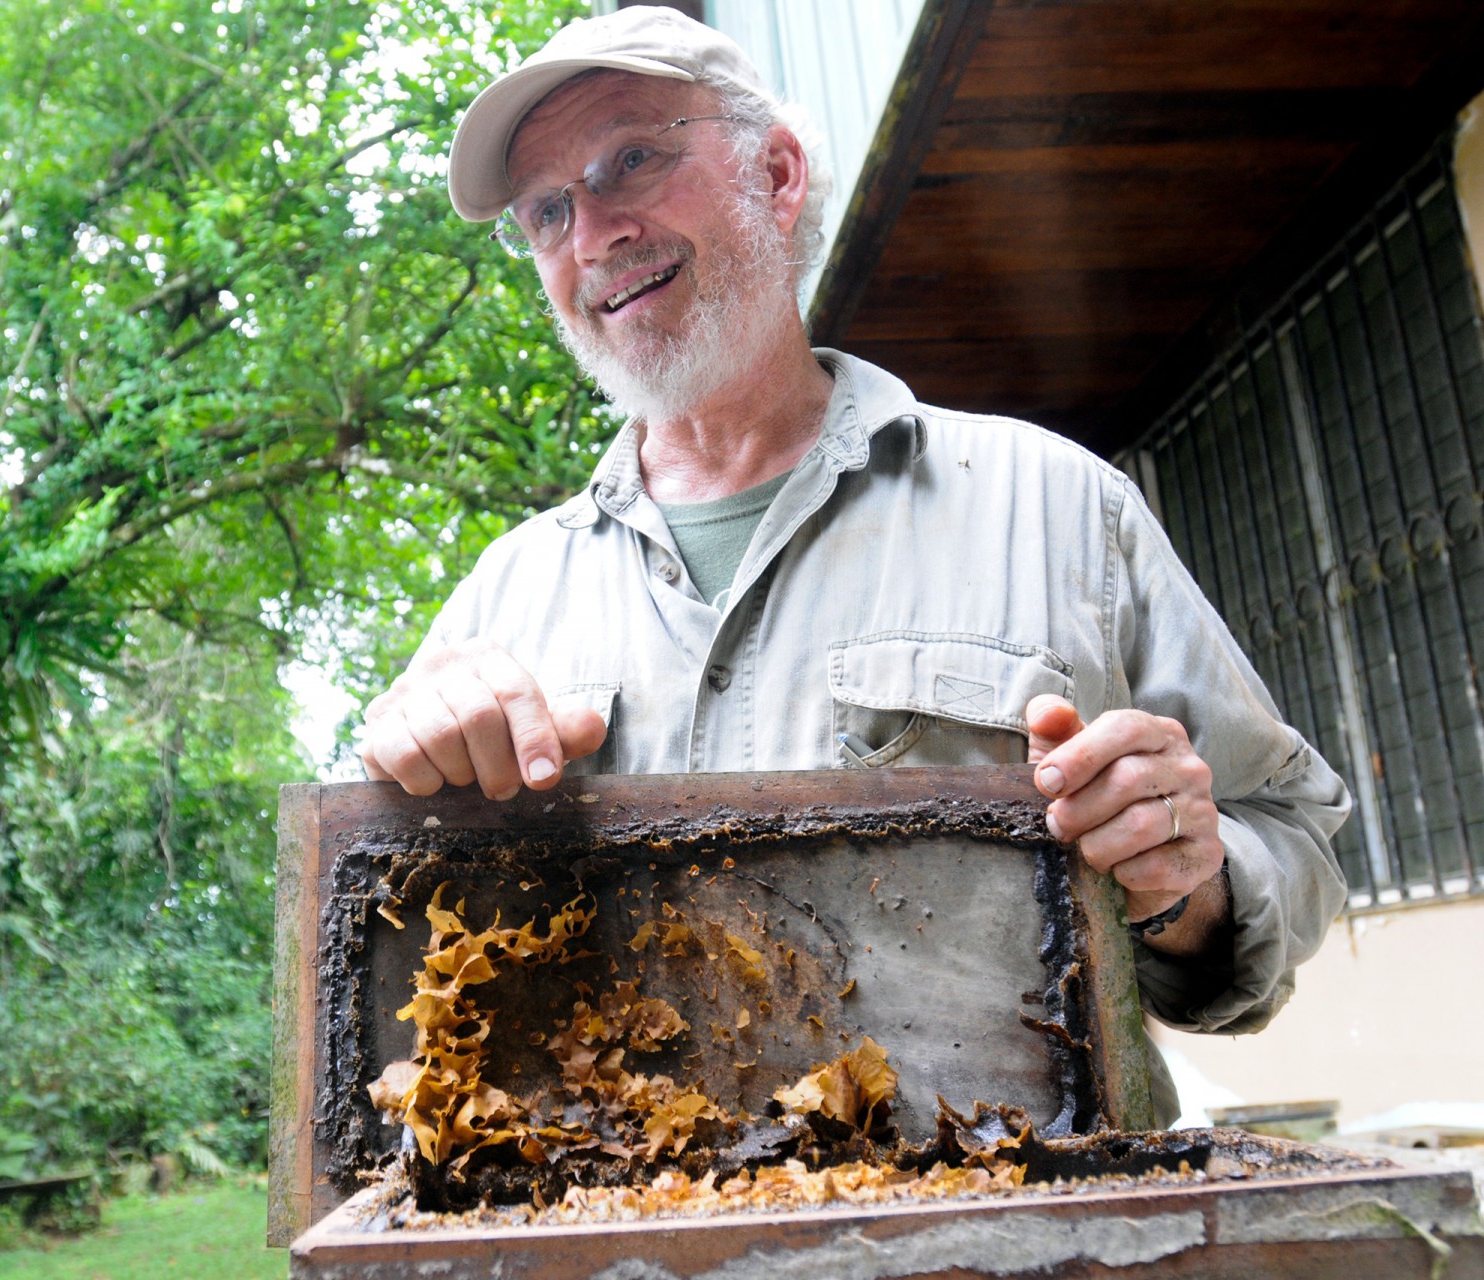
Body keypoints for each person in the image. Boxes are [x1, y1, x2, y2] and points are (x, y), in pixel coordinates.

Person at [357, 6, 1349, 1118]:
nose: (592, 234)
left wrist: (1189, 886)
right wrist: (402, 774)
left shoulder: (1059, 504)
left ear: (775, 173)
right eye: (547, 210)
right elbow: (387, 956)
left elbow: (1288, 833)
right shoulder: (502, 600)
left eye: (630, 159)